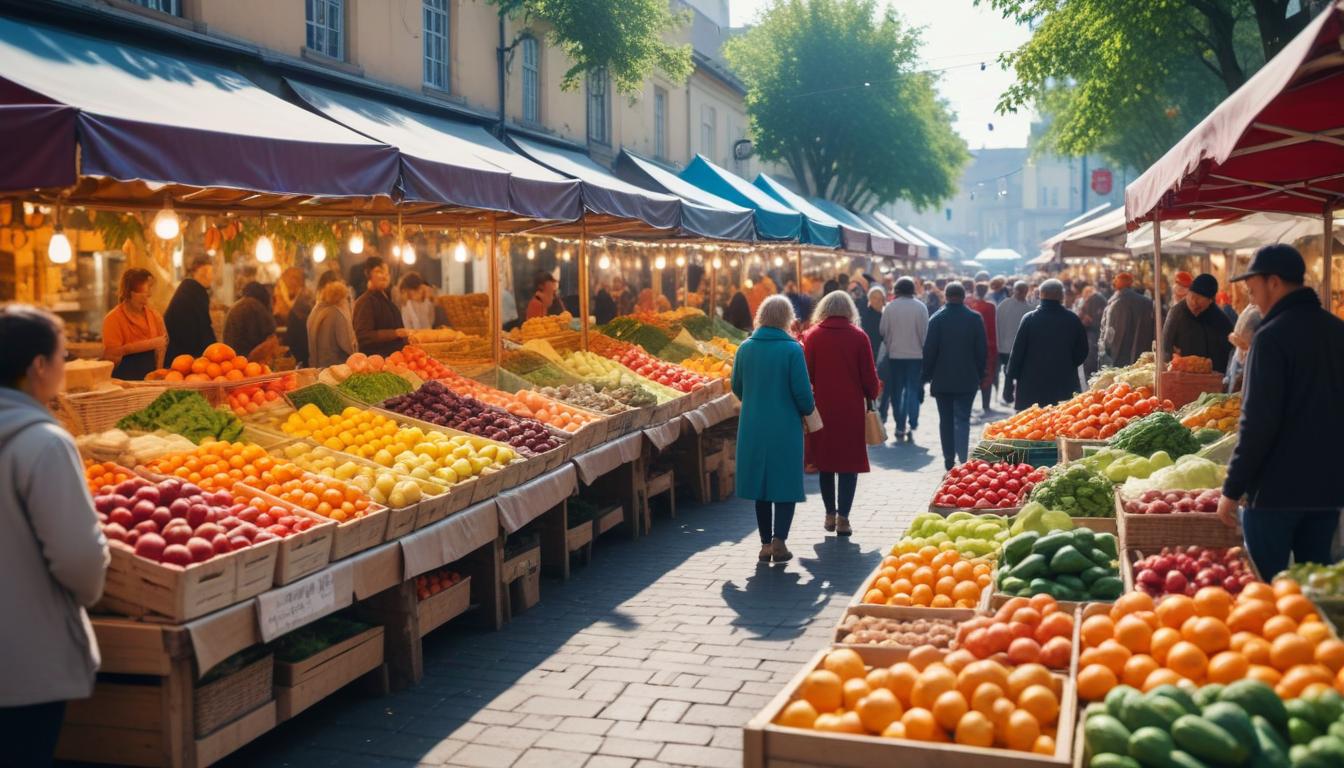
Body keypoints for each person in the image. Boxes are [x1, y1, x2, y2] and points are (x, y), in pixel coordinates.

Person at [0, 305, 109, 765]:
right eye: (63, 357)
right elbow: (79, 559)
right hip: (25, 660)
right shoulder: (44, 443)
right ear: (39, 366)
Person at [1217, 245, 1344, 576]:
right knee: (1316, 593)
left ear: (1273, 282)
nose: (1252, 298)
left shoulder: (1270, 338)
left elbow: (1258, 422)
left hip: (1276, 492)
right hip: (1329, 489)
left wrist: (1232, 489)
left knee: (1269, 594)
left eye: (1253, 288)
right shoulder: (1338, 331)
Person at [732, 295, 815, 564]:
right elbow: (803, 394)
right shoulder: (793, 350)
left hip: (753, 424)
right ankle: (780, 540)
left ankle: (765, 543)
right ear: (786, 318)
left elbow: (737, 386)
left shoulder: (745, 348)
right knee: (784, 483)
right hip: (785, 425)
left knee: (761, 485)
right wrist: (807, 411)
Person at [802, 292, 880, 536]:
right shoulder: (859, 337)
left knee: (826, 463)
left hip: (822, 408)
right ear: (849, 310)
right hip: (851, 410)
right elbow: (870, 379)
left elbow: (807, 375)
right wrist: (872, 392)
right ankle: (844, 518)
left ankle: (829, 513)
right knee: (848, 464)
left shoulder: (812, 336)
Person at [922, 284, 986, 470]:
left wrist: (925, 376)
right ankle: (963, 459)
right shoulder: (974, 318)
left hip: (942, 379)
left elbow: (929, 352)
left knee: (946, 420)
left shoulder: (936, 319)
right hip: (968, 378)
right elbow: (981, 351)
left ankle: (949, 460)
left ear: (945, 296)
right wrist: (980, 374)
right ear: (963, 296)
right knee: (963, 419)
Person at [1007, 279, 1089, 413]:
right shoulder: (1072, 319)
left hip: (1031, 386)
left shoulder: (1029, 319)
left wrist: (1009, 383)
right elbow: (1083, 351)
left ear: (1040, 295)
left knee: (1031, 428)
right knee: (1060, 427)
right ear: (1062, 296)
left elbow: (1017, 354)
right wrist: (1068, 363)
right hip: (1064, 384)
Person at [879, 277, 929, 442]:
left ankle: (900, 426)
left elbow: (883, 331)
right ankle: (912, 421)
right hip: (916, 356)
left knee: (897, 391)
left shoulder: (890, 308)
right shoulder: (921, 307)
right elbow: (924, 334)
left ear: (897, 290)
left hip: (895, 355)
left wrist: (892, 344)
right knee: (912, 390)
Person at [101, 268, 167, 380]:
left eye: (150, 288)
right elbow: (111, 356)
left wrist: (156, 378)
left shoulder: (155, 316)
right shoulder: (113, 319)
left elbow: (161, 349)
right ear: (130, 291)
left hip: (149, 382)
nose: (150, 294)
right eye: (146, 288)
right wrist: (149, 344)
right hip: (122, 382)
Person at [1162, 273, 1235, 373]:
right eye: (1192, 297)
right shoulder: (1176, 313)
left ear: (1210, 301)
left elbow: (1230, 352)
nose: (1194, 303)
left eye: (1199, 300)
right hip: (1180, 376)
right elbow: (1165, 348)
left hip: (1212, 379)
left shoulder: (1221, 320)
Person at [163, 255, 216, 362]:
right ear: (202, 271)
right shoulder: (195, 291)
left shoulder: (187, 289)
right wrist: (214, 351)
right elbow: (204, 327)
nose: (211, 277)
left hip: (174, 354)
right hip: (184, 357)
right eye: (209, 272)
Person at [353, 257, 408, 357]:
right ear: (368, 274)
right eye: (379, 271)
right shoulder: (366, 302)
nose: (384, 276)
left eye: (387, 273)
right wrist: (395, 333)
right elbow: (363, 336)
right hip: (376, 365)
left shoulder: (387, 300)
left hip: (394, 362)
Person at [1099, 272, 1156, 368]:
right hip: (1142, 352)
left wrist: (1106, 347)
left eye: (1115, 280)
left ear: (1117, 284)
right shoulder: (1146, 302)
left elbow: (1110, 330)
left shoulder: (1115, 304)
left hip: (1119, 353)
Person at [223, 282, 279, 365]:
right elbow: (270, 335)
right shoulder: (253, 305)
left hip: (234, 363)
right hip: (247, 363)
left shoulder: (240, 305)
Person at [995, 281, 1033, 404]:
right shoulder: (1007, 305)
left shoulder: (1005, 305)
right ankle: (1008, 395)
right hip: (1007, 345)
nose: (1023, 294)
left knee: (1011, 372)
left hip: (1011, 345)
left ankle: (1011, 395)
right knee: (1009, 372)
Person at [308, 276, 358, 368]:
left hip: (317, 366)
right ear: (342, 297)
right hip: (335, 367)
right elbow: (347, 346)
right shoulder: (337, 314)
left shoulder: (316, 311)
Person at [965, 282, 998, 414]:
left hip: (970, 345)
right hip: (988, 344)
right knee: (987, 375)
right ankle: (986, 404)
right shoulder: (990, 307)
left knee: (971, 374)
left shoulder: (968, 304)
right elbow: (993, 328)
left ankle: (969, 402)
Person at [859, 287, 889, 423]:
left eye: (879, 298)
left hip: (881, 356)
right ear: (869, 300)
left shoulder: (885, 316)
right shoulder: (863, 316)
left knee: (881, 386)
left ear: (883, 300)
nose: (877, 301)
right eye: (874, 298)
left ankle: (877, 413)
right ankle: (873, 414)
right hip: (867, 355)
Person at [1226, 303, 1262, 393]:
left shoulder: (1259, 358)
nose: (1241, 349)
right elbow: (1231, 373)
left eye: (1243, 345)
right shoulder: (1238, 352)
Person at [283, 270, 315, 368]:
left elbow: (301, 328)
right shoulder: (302, 297)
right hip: (303, 353)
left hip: (304, 353)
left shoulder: (303, 299)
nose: (285, 285)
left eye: (286, 281)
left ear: (294, 280)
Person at [1076, 285, 1108, 379]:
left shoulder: (1092, 300)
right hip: (1098, 333)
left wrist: (1086, 320)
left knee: (1091, 359)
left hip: (1092, 334)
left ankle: (1091, 377)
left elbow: (1083, 317)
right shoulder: (1101, 299)